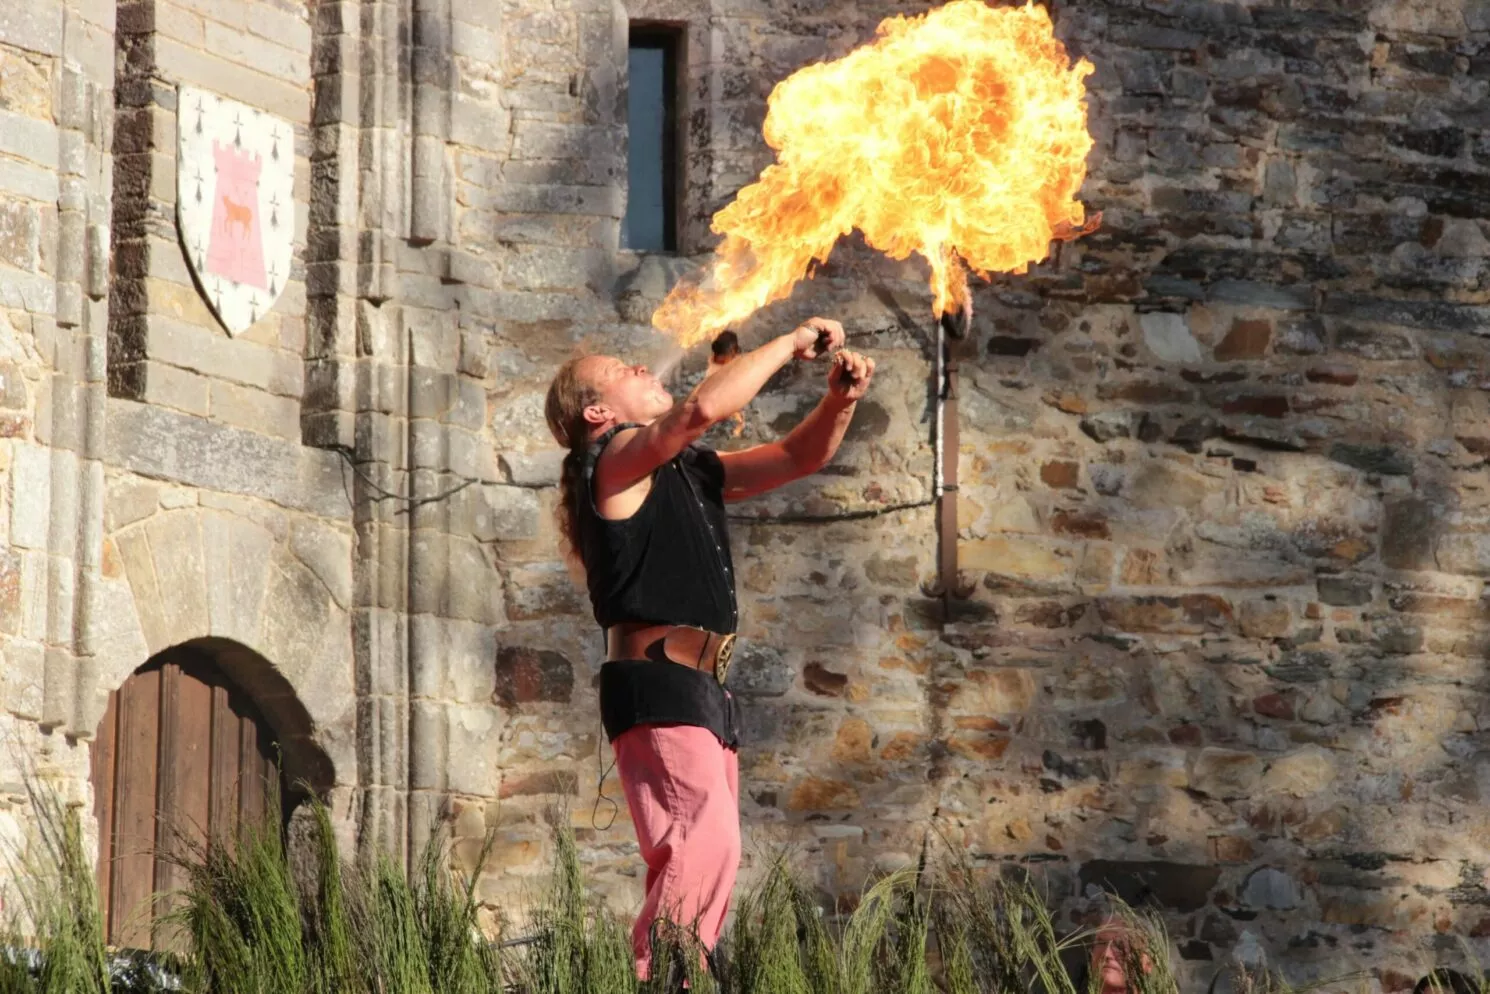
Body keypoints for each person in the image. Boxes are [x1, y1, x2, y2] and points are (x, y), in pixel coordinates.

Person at [543, 317, 875, 980]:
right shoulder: (610, 460)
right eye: (625, 371)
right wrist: (786, 343)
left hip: (702, 690)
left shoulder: (687, 470)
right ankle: (664, 976)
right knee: (702, 842)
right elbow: (699, 408)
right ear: (599, 410)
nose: (646, 370)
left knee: (713, 854)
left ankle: (683, 972)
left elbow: (796, 459)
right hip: (658, 681)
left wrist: (839, 401)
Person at [704, 331, 746, 436]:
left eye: (723, 360)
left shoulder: (739, 363)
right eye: (719, 360)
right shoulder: (714, 365)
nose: (720, 362)